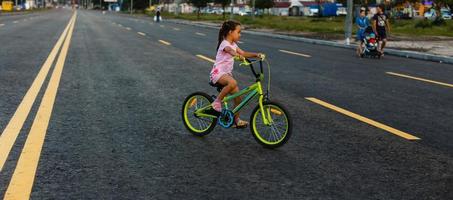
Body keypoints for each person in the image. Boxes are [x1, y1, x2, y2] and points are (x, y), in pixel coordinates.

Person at [210, 20, 264, 128]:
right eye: (238, 32)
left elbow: (243, 53)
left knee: (238, 99)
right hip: (217, 73)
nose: (240, 34)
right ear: (230, 32)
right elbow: (229, 50)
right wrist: (236, 55)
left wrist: (256, 55)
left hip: (226, 75)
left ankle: (236, 120)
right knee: (233, 82)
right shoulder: (225, 43)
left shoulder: (234, 44)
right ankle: (216, 102)